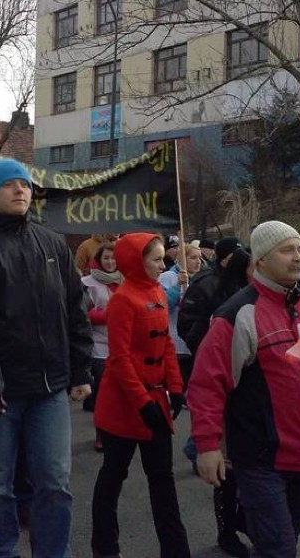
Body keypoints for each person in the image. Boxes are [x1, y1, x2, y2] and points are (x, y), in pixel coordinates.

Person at [0, 157, 93, 558]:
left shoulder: (51, 243)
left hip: (49, 388)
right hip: (0, 392)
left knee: (54, 482)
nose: (20, 190)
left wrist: (80, 367)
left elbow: (74, 308)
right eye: (10, 183)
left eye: (25, 184)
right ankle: (0, 551)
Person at [188, 221, 300, 558]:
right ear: (261, 259)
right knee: (280, 549)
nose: (298, 257)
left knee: (280, 543)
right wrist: (207, 445)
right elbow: (207, 384)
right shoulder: (238, 314)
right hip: (261, 460)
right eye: (287, 250)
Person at [90, 233, 190, 558]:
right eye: (157, 259)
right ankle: (105, 548)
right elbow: (118, 359)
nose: (164, 264)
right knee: (113, 477)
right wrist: (142, 402)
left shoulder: (158, 291)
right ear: (137, 261)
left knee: (163, 481)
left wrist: (175, 388)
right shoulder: (123, 300)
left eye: (163, 258)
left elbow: (166, 347)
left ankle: (176, 551)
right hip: (123, 408)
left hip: (155, 402)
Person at [179, 246, 253, 557]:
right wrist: (207, 350)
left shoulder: (281, 300)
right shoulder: (221, 298)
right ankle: (227, 530)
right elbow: (190, 327)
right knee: (230, 471)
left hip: (260, 403)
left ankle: (247, 519)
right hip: (229, 394)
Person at [81, 243, 123, 450]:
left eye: (114, 258)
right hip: (99, 344)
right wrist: (106, 315)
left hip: (122, 344)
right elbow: (81, 314)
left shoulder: (126, 280)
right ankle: (101, 433)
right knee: (104, 392)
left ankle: (117, 431)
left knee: (120, 392)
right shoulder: (88, 283)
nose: (110, 262)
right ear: (99, 259)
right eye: (106, 258)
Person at [160, 242, 203, 388]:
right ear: (181, 259)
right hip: (174, 339)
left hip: (191, 339)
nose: (198, 261)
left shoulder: (199, 280)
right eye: (193, 257)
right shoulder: (168, 277)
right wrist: (178, 286)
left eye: (200, 258)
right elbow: (164, 305)